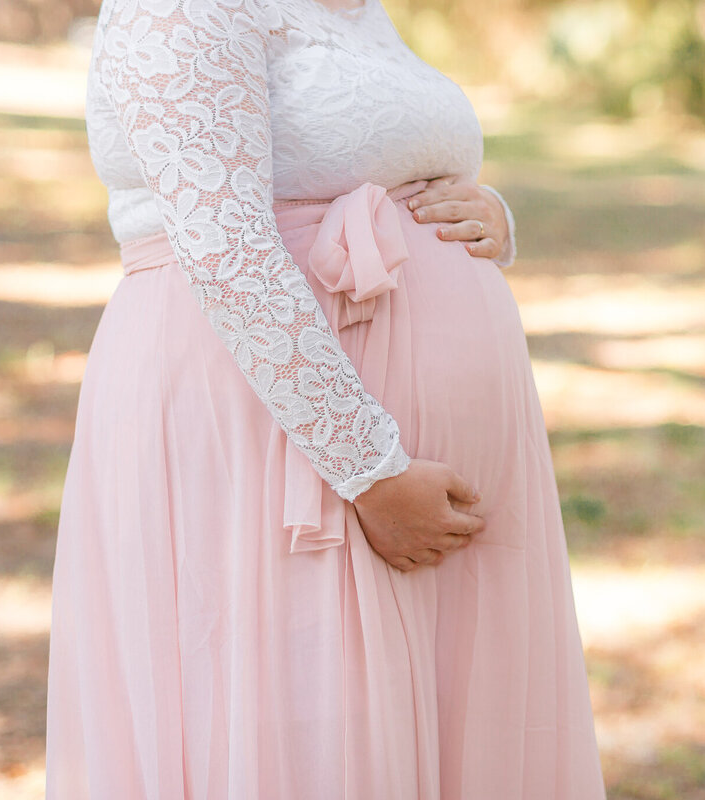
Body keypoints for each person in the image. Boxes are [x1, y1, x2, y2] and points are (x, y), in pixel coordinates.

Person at [44, 0, 607, 796]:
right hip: (278, 433)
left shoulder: (353, 9)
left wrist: (486, 216)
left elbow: (384, 152)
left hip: (395, 470)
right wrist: (370, 470)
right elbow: (222, 243)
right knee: (303, 732)